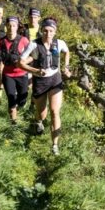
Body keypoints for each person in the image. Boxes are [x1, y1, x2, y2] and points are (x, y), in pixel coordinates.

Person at [19, 18, 73, 155]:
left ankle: (55, 145)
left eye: (51, 31)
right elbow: (21, 63)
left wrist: (66, 66)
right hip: (40, 82)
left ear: (55, 32)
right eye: (45, 30)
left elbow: (67, 52)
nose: (48, 34)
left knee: (55, 111)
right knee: (42, 113)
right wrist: (35, 71)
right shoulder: (34, 45)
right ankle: (38, 120)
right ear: (41, 31)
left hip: (55, 79)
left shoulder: (59, 43)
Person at [0, 16, 30, 124]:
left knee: (22, 100)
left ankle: (18, 107)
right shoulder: (1, 41)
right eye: (9, 25)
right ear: (6, 26)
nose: (11, 27)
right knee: (11, 98)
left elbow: (33, 55)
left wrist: (23, 62)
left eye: (14, 25)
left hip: (22, 74)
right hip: (8, 75)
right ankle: (13, 124)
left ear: (17, 27)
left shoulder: (23, 40)